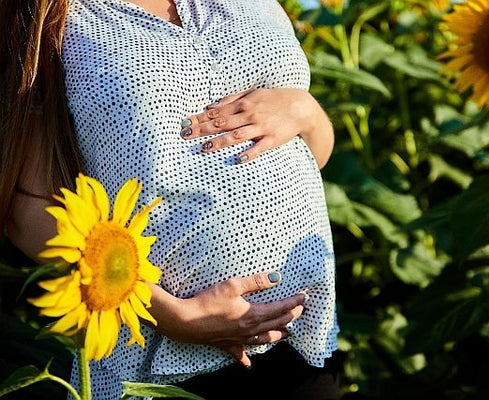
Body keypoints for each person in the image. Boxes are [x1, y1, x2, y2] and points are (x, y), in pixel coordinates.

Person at [0, 0, 339, 399]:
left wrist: (307, 111)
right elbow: (26, 207)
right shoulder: (48, 15)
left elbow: (305, 157)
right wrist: (169, 313)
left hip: (303, 338)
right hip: (161, 363)